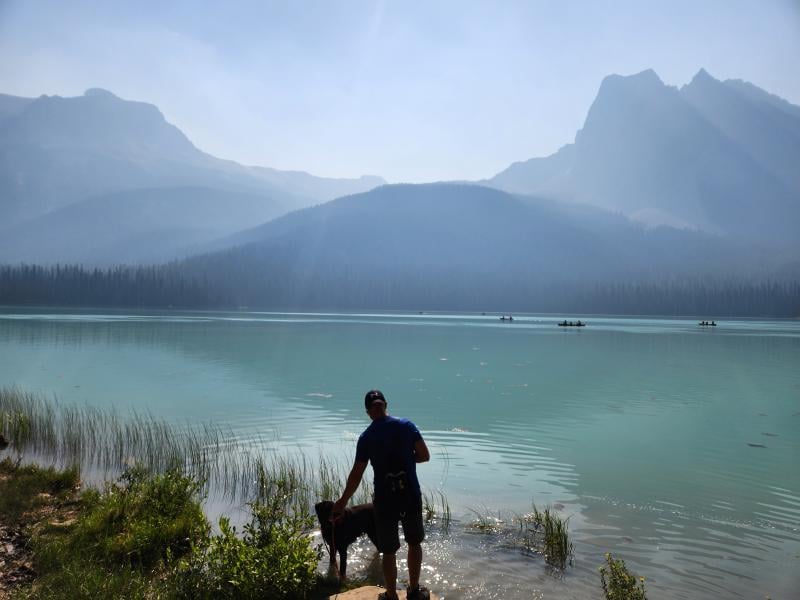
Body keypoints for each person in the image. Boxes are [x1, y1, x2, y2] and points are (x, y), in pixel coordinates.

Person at [332, 390, 431, 600]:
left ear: (368, 412)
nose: (377, 408)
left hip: (385, 501)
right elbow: (424, 455)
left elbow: (357, 473)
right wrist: (405, 460)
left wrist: (342, 502)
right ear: (385, 405)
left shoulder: (367, 437)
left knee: (389, 550)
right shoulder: (406, 426)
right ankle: (413, 591)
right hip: (410, 495)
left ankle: (392, 595)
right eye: (378, 405)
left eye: (376, 405)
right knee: (414, 543)